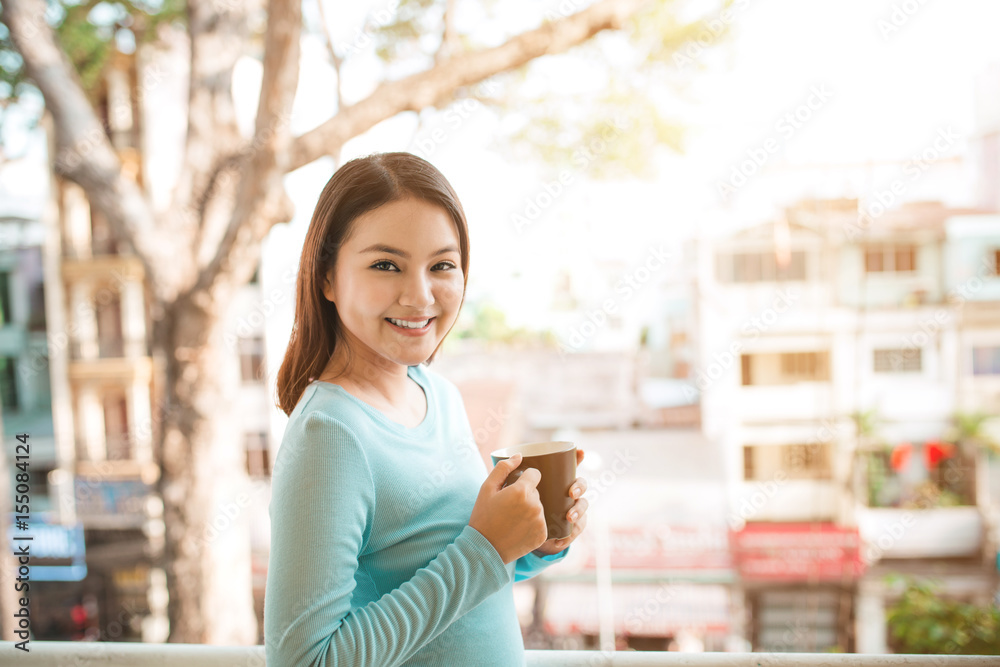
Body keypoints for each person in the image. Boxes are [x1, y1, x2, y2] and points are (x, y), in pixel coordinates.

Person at [265, 152, 589, 666]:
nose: (420, 296)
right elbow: (306, 661)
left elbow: (454, 576)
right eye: (385, 265)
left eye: (441, 265)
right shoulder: (330, 433)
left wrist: (532, 543)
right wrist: (484, 548)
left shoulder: (438, 396)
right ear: (326, 278)